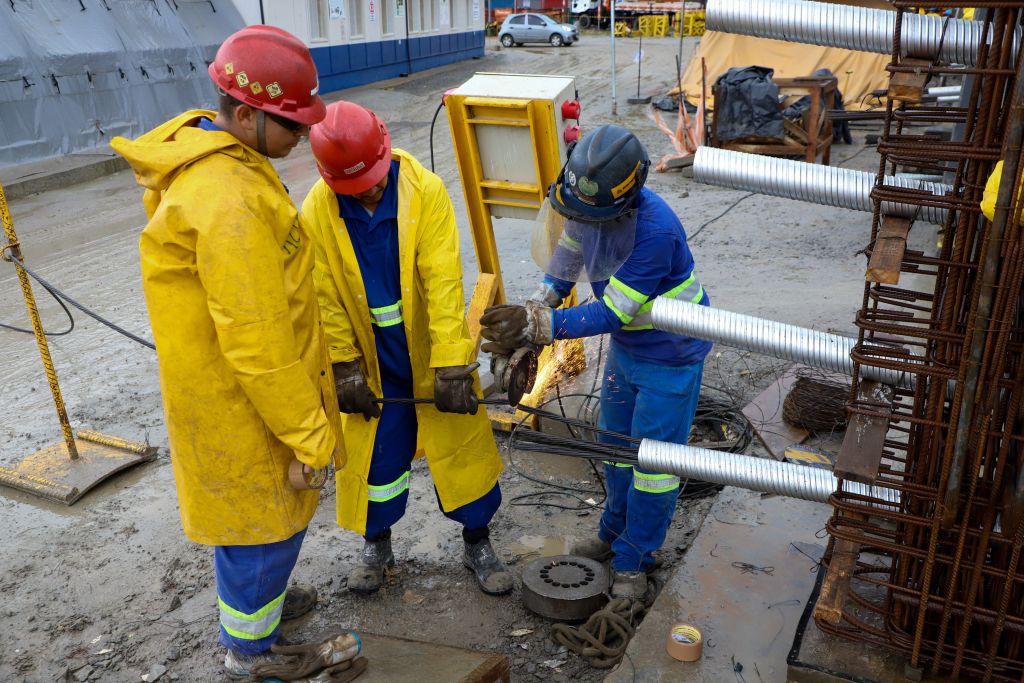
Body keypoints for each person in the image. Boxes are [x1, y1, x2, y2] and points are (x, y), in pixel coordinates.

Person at [112, 26, 346, 679]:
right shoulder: (230, 202)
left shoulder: (226, 162)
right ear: (246, 114)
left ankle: (258, 609)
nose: (303, 137)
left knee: (251, 520)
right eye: (292, 125)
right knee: (264, 523)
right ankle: (249, 651)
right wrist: (311, 434)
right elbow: (259, 342)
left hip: (228, 394)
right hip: (249, 403)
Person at [480, 124, 712, 600]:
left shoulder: (655, 231)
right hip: (629, 351)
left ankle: (635, 558)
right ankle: (612, 532)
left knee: (653, 466)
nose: (580, 222)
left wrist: (541, 328)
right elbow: (565, 262)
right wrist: (536, 306)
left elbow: (613, 311)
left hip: (670, 356)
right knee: (613, 445)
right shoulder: (589, 207)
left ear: (625, 201)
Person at [302, 101, 512, 596]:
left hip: (426, 351)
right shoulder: (316, 210)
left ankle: (477, 540)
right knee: (376, 462)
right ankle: (378, 545)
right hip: (374, 364)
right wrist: (344, 364)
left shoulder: (425, 193)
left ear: (385, 147)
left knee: (462, 453)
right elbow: (323, 295)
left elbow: (442, 284)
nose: (369, 191)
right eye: (354, 187)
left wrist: (449, 363)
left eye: (373, 179)